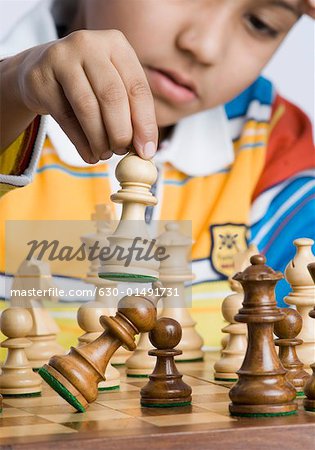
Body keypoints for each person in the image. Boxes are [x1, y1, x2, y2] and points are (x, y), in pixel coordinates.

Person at [0, 0, 314, 348]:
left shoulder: (272, 138)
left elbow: (291, 337)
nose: (204, 46)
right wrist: (11, 92)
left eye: (260, 22)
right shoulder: (9, 100)